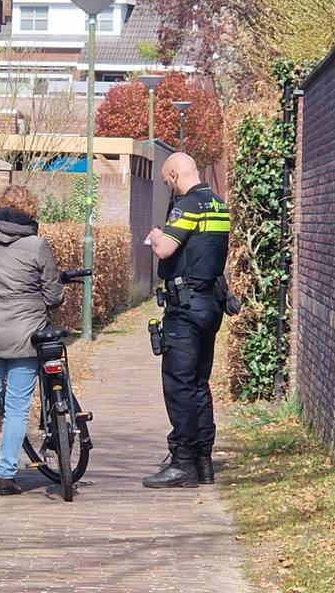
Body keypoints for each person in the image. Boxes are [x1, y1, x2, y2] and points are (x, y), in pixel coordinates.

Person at [0, 186, 65, 496]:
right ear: (31, 212)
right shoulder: (36, 246)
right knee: (17, 408)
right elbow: (54, 295)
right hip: (25, 335)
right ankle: (6, 476)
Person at [143, 152, 231, 489]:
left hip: (186, 308)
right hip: (210, 305)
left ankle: (182, 462)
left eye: (168, 182)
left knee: (179, 386)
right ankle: (203, 460)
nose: (170, 189)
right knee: (198, 384)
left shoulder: (189, 206)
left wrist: (155, 234)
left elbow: (166, 249)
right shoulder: (218, 205)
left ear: (176, 175)